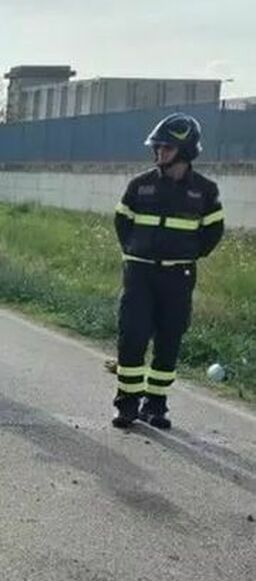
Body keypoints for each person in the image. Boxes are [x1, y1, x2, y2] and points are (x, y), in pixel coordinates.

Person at [112, 113, 224, 430]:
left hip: (179, 276)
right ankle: (127, 404)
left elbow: (213, 233)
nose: (159, 152)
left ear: (185, 151)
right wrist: (135, 253)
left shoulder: (205, 191)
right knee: (132, 336)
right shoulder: (140, 185)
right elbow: (122, 222)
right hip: (140, 274)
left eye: (166, 148)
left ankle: (155, 404)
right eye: (157, 147)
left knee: (169, 339)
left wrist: (186, 255)